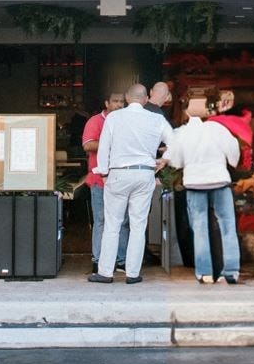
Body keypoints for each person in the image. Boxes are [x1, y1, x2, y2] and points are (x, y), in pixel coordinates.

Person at [89, 83, 173, 285]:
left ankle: (106, 272)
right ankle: (132, 273)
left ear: (127, 98)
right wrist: (164, 160)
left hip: (118, 174)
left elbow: (104, 148)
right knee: (138, 225)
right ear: (145, 100)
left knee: (112, 225)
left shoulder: (114, 118)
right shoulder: (157, 119)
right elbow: (175, 142)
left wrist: (103, 173)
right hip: (144, 174)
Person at [164, 97, 241, 284]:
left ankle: (204, 273)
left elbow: (175, 161)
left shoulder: (180, 133)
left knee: (199, 228)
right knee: (228, 226)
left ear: (186, 113)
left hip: (195, 183)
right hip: (220, 180)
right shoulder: (218, 129)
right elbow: (233, 153)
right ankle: (230, 271)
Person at [81, 91, 129, 274]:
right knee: (101, 220)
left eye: (121, 102)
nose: (118, 105)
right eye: (115, 101)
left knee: (122, 221)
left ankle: (121, 260)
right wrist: (111, 142)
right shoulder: (95, 121)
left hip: (121, 179)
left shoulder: (125, 121)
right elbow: (88, 145)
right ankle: (98, 260)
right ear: (106, 103)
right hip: (99, 180)